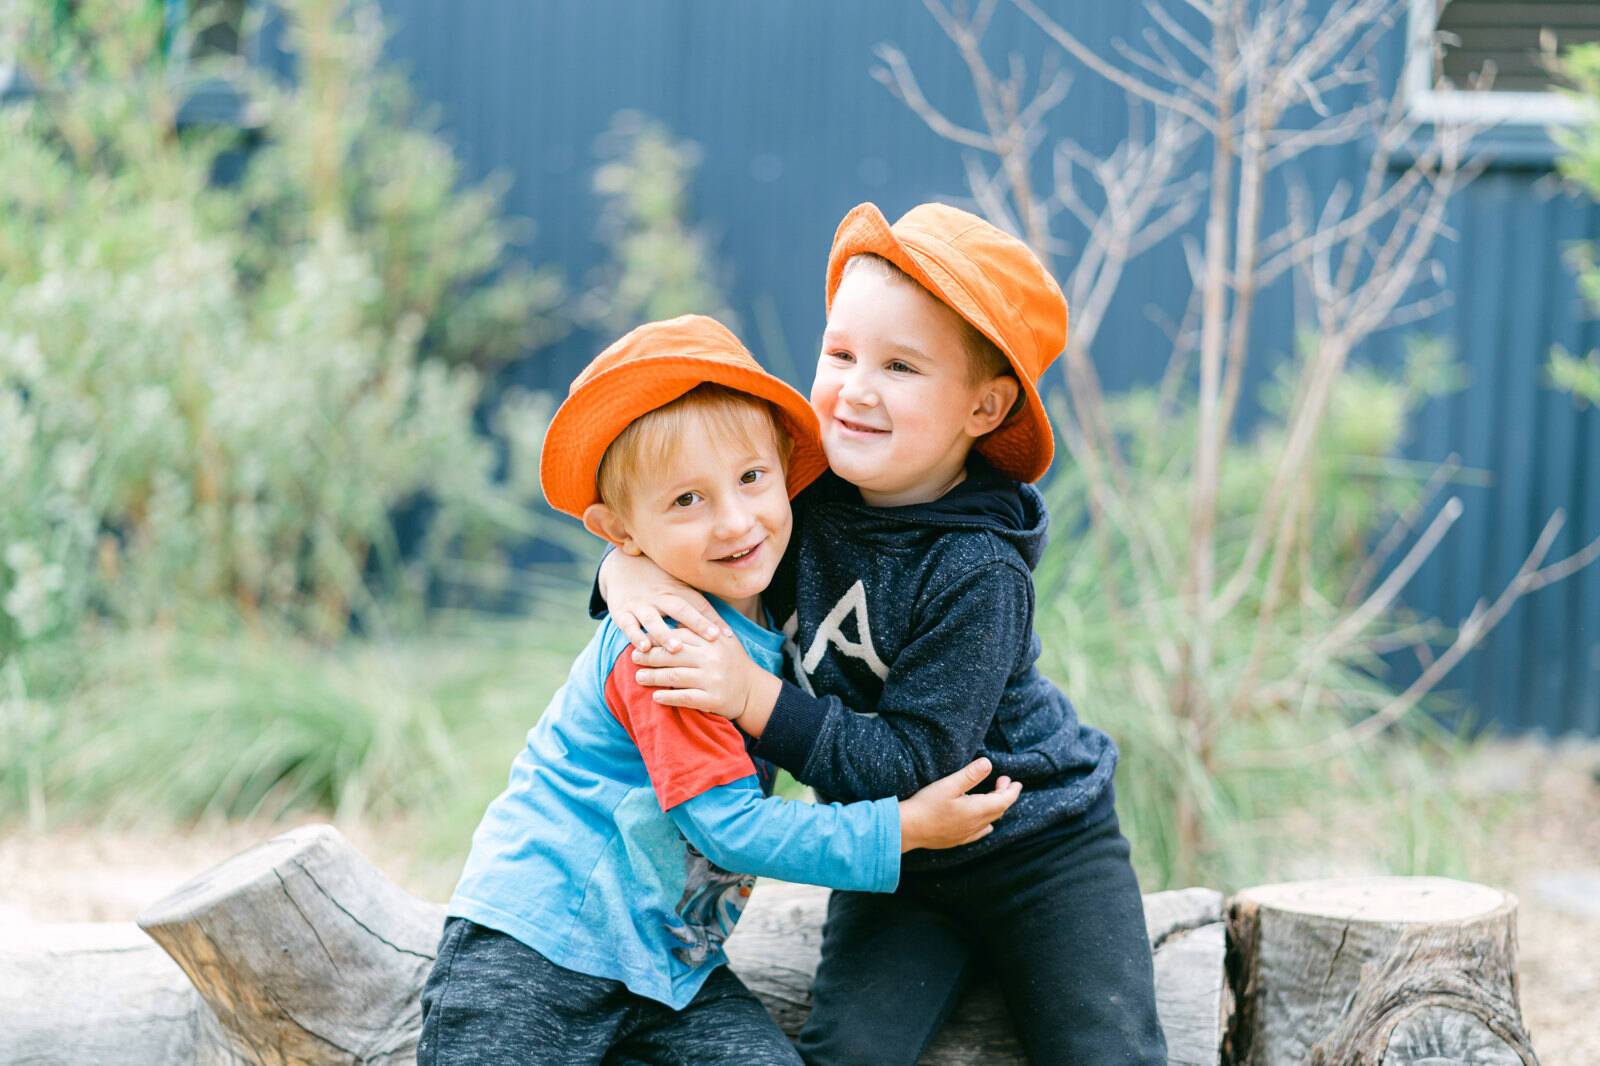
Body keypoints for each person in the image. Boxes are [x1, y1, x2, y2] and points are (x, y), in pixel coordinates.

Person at [597, 206, 1168, 1065]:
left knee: (1107, 1049)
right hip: (893, 858)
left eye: (900, 366)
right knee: (849, 1053)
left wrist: (754, 697)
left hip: (1040, 845)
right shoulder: (796, 498)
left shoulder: (978, 567)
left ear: (986, 404)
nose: (856, 388)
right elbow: (685, 526)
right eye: (841, 355)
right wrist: (624, 570)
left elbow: (915, 763)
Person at [416, 313, 1022, 1066]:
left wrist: (619, 564)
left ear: (787, 472)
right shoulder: (671, 645)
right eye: (685, 501)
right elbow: (729, 828)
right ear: (622, 529)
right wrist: (903, 828)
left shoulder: (779, 593)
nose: (735, 521)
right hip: (540, 948)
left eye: (751, 478)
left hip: (670, 966)